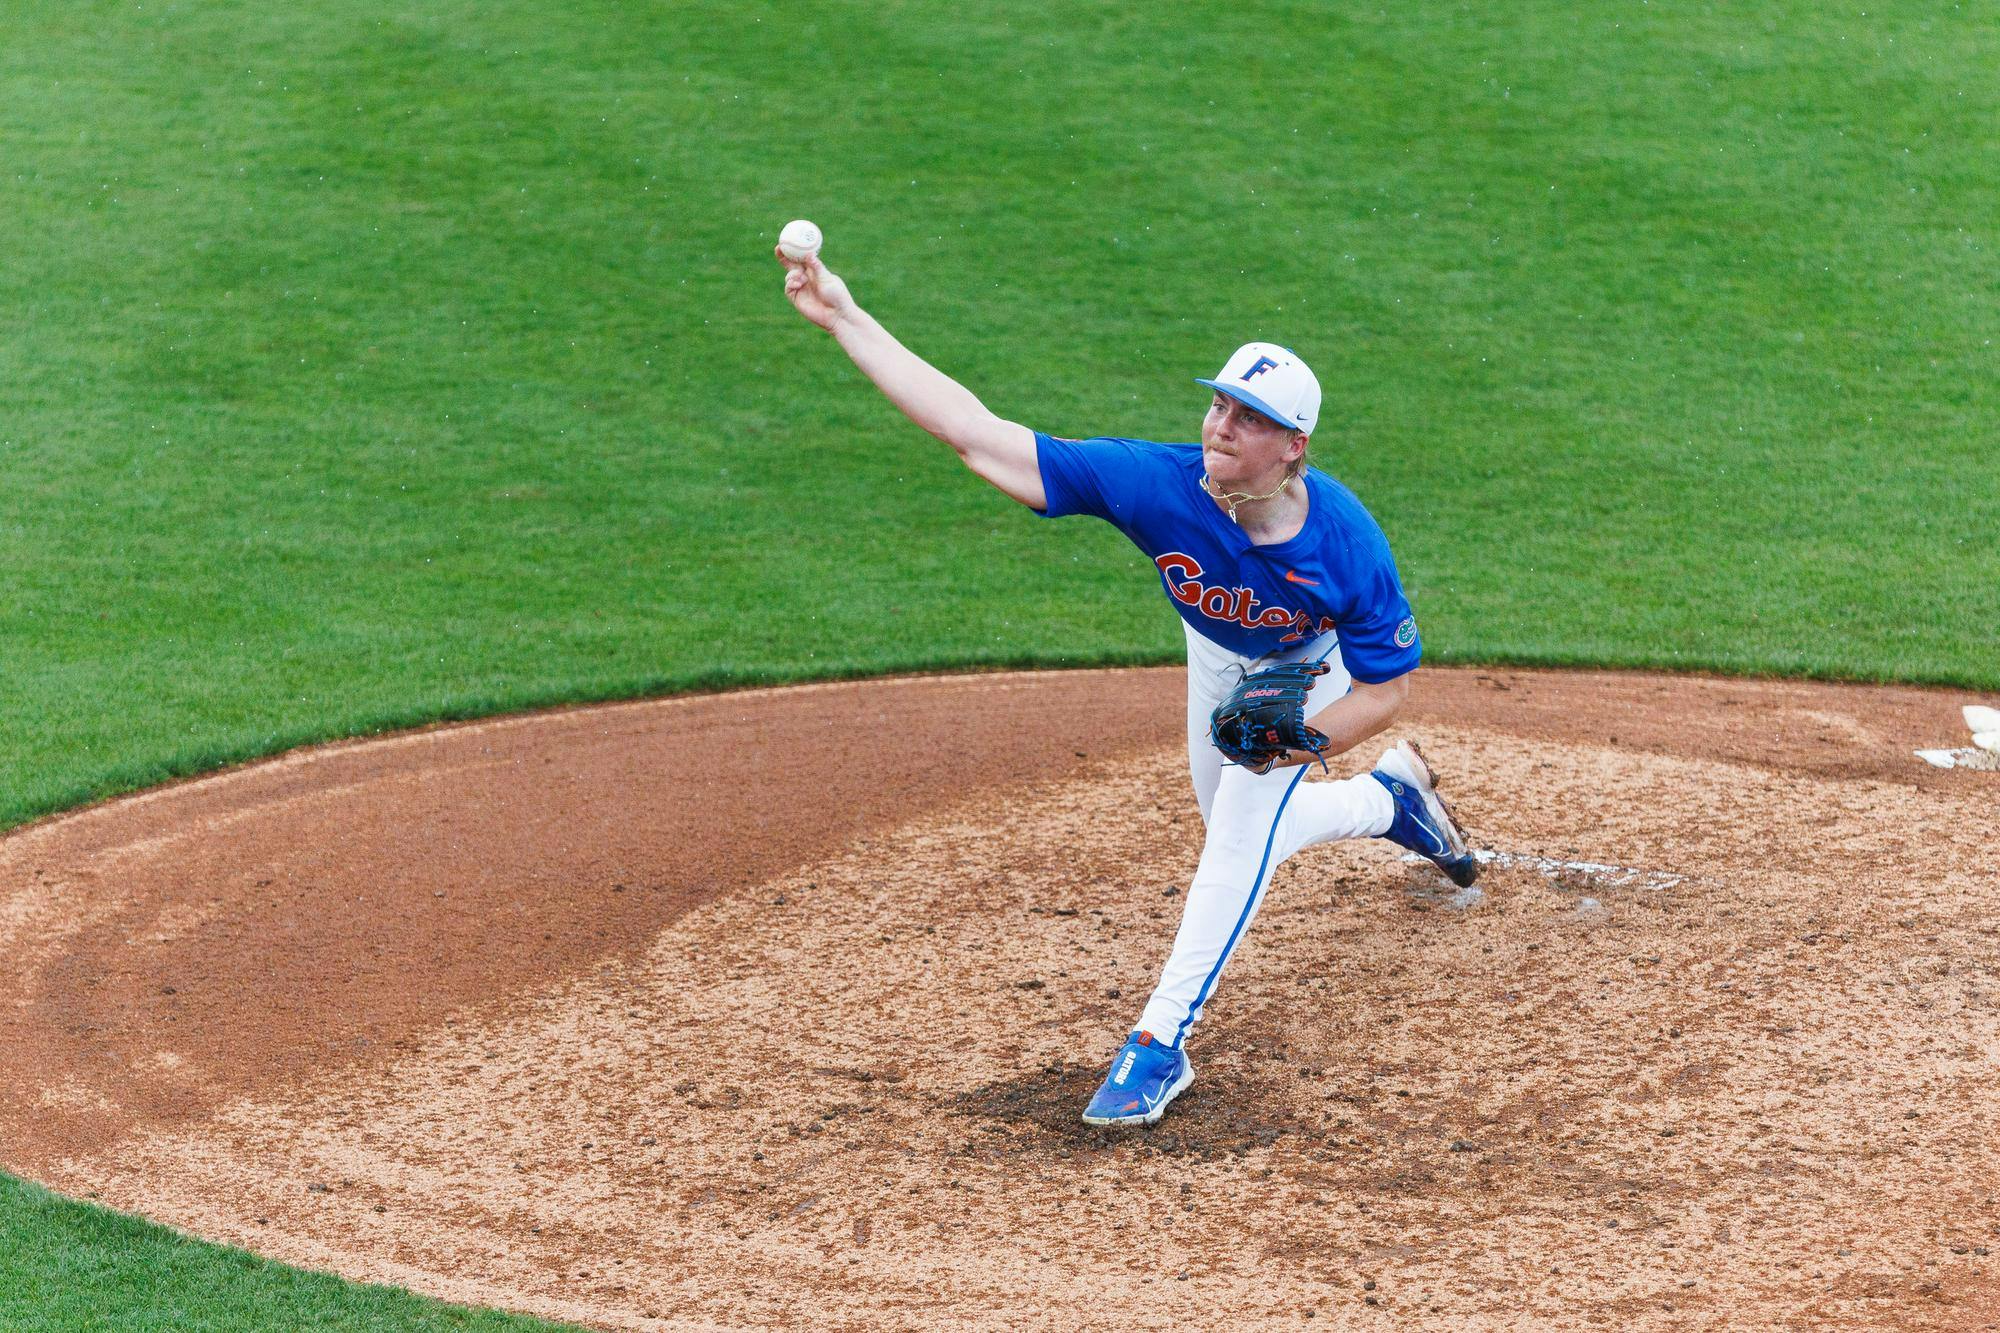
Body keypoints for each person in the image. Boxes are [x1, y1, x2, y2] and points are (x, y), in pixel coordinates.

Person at [775, 247, 1479, 1128]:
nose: (1221, 424)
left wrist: (1301, 738)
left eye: (1249, 416)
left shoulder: (1346, 547)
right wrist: (845, 315)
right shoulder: (1156, 482)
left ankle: (1159, 1041)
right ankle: (1390, 803)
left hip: (1314, 657)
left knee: (1238, 832)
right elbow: (977, 434)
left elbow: (1387, 689)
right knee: (1231, 821)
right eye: (1219, 401)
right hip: (1217, 654)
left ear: (1292, 446)